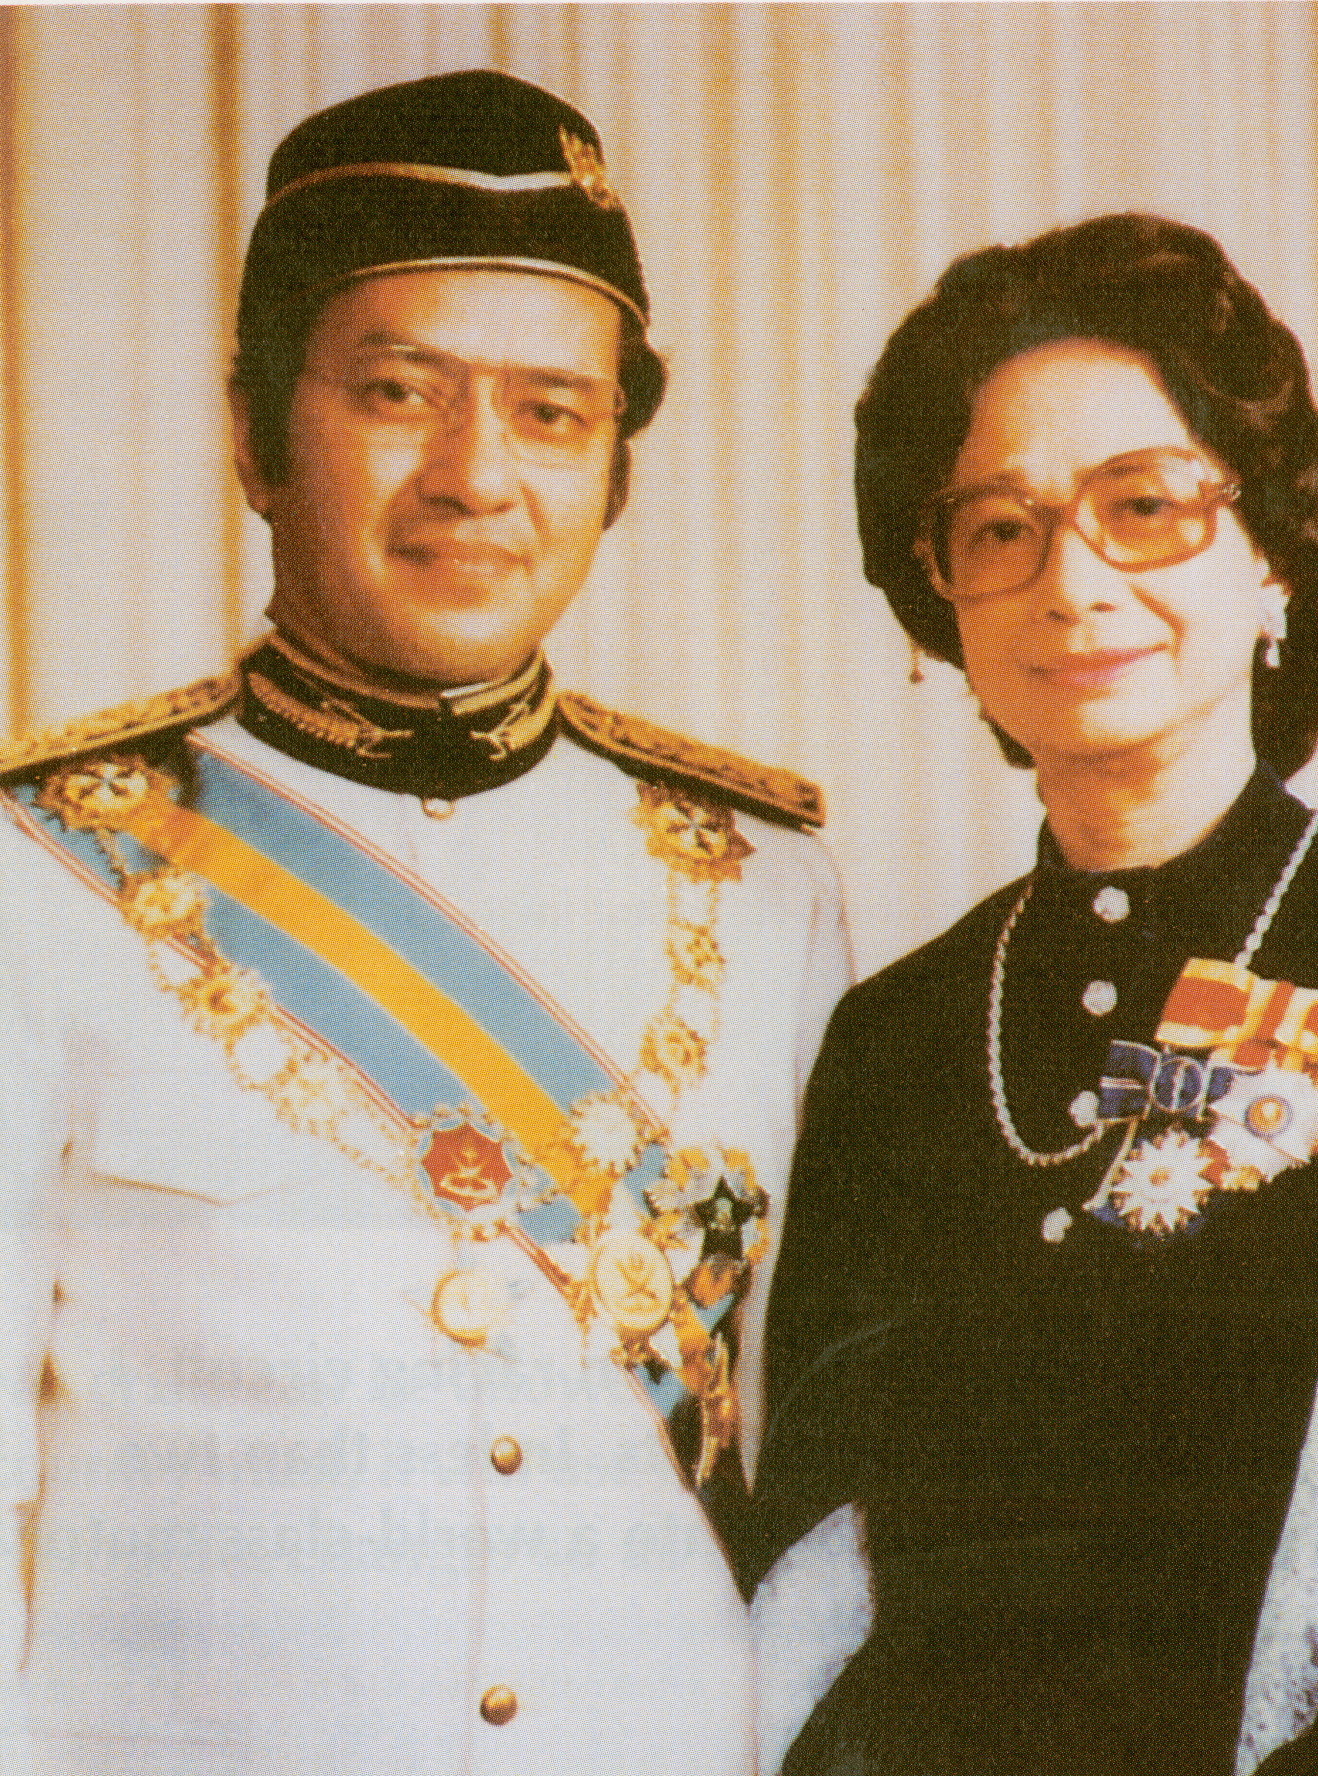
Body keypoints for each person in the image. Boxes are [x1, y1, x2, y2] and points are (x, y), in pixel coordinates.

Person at [0, 70, 850, 1776]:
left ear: (615, 472)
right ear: (255, 436)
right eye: (400, 392)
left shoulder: (766, 884)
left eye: (553, 414)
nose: (478, 475)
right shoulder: (41, 871)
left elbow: (819, 1495)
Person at [745, 213, 1318, 1775]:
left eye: (1145, 506)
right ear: (943, 598)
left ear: (1273, 556)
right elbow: (808, 1557)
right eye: (1003, 527)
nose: (1073, 582)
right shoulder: (897, 1031)